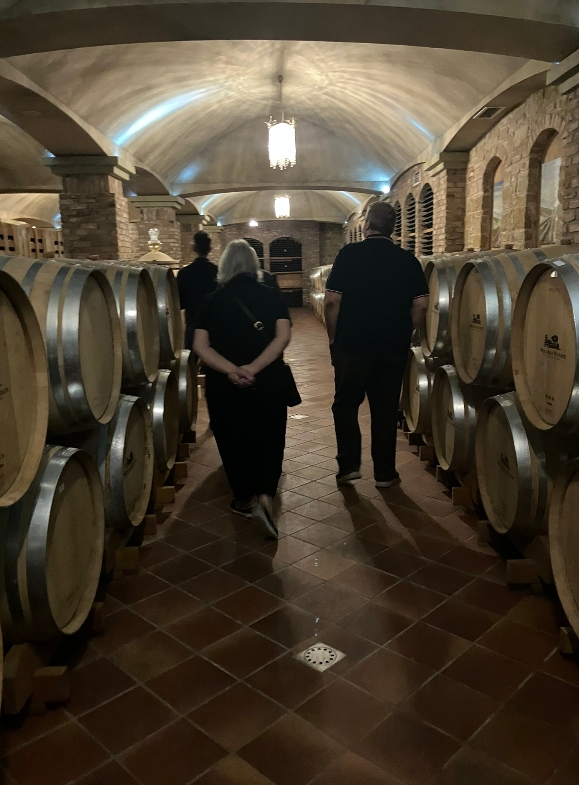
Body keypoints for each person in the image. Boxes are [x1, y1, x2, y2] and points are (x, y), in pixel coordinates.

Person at [324, 201, 429, 488]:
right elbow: (421, 305)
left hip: (351, 346)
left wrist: (333, 338)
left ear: (367, 225)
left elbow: (332, 301)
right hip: (391, 349)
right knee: (384, 410)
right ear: (393, 229)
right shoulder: (408, 261)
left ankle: (349, 467)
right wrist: (406, 333)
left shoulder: (348, 254)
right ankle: (384, 474)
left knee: (345, 405)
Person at [193, 239, 291, 538]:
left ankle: (245, 496)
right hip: (268, 381)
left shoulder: (211, 300)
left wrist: (232, 371)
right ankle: (265, 494)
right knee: (270, 435)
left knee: (233, 438)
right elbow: (282, 336)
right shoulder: (272, 295)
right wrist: (254, 368)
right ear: (253, 264)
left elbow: (200, 345)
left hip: (225, 385)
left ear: (224, 265)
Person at [177, 231, 218, 350]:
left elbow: (179, 301)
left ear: (193, 248)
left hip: (192, 320)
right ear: (210, 249)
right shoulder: (218, 272)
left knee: (190, 357)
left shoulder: (184, 272)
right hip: (214, 321)